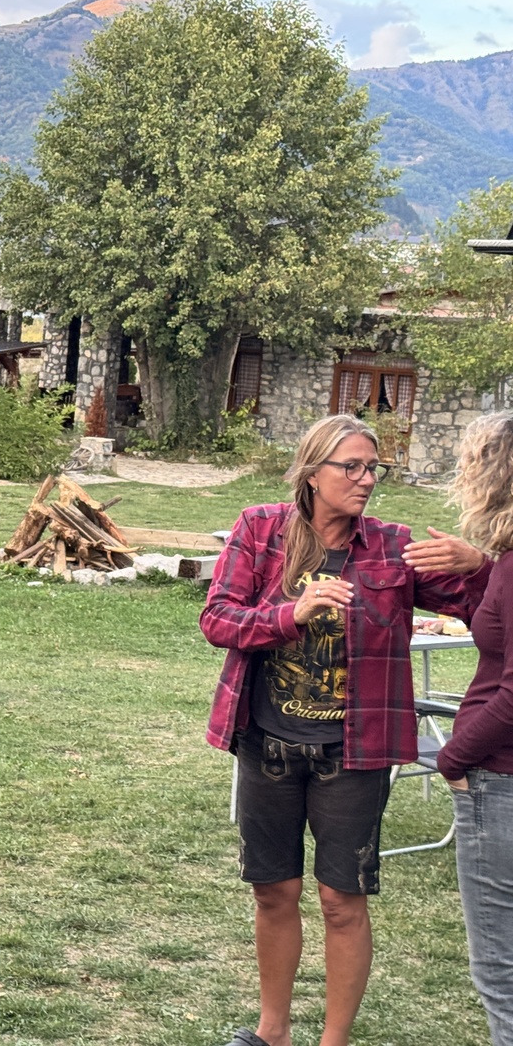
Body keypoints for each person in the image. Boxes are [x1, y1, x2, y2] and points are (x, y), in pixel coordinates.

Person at [201, 413, 490, 1046]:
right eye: (351, 466)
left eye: (373, 468)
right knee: (273, 892)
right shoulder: (260, 528)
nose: (366, 479)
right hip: (267, 744)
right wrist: (292, 613)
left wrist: (482, 565)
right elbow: (218, 619)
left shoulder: (392, 546)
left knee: (342, 901)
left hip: (354, 752)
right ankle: (272, 1032)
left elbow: (485, 608)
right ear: (312, 473)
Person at [437, 411, 513, 1046]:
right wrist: (483, 567)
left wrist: (453, 757)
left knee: (502, 971)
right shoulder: (506, 566)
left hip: (501, 778)